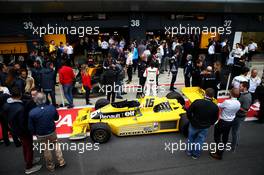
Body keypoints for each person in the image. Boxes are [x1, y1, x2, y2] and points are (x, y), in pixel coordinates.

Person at [2, 87, 42, 174]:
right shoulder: (20, 108)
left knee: (25, 146)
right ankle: (29, 167)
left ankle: (29, 160)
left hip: (15, 129)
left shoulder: (6, 104)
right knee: (29, 147)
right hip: (23, 131)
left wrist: (9, 129)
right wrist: (31, 131)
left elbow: (5, 119)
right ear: (20, 95)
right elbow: (23, 123)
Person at [28, 92, 65, 172]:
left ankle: (51, 166)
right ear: (45, 99)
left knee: (46, 149)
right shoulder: (51, 108)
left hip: (41, 134)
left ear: (35, 101)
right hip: (52, 131)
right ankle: (61, 161)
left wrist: (35, 133)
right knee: (56, 145)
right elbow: (56, 118)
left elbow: (31, 127)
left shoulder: (32, 112)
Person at [186, 88, 219, 159]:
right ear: (213, 96)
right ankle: (195, 154)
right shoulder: (215, 107)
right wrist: (209, 124)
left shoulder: (197, 102)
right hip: (205, 126)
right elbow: (215, 119)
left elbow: (189, 112)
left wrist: (191, 120)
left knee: (190, 138)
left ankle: (189, 151)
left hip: (194, 124)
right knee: (200, 140)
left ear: (204, 94)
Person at [210, 88, 241, 160]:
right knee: (225, 136)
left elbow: (219, 105)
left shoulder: (227, 102)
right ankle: (221, 148)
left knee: (217, 136)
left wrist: (214, 102)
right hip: (230, 122)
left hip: (223, 121)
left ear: (231, 93)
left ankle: (219, 153)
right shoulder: (238, 103)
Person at [231, 81, 252, 152]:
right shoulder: (243, 94)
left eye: (240, 86)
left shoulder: (246, 97)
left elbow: (245, 110)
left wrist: (237, 105)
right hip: (238, 115)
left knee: (235, 131)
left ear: (245, 87)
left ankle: (233, 147)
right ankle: (236, 143)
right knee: (236, 130)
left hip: (239, 117)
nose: (239, 87)